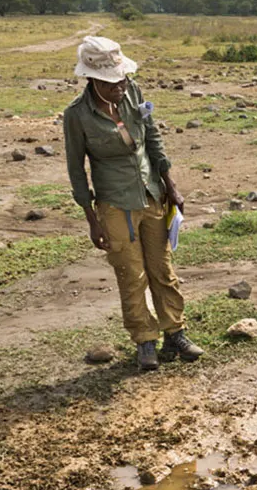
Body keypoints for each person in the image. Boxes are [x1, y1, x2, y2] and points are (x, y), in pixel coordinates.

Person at [63, 36, 203, 371]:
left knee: (163, 270)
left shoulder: (133, 92)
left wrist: (171, 185)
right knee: (132, 275)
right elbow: (76, 169)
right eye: (113, 82)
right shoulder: (77, 116)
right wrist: (91, 219)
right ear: (93, 80)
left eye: (122, 78)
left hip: (152, 194)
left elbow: (152, 137)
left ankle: (175, 333)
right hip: (115, 205)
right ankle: (145, 342)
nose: (120, 86)